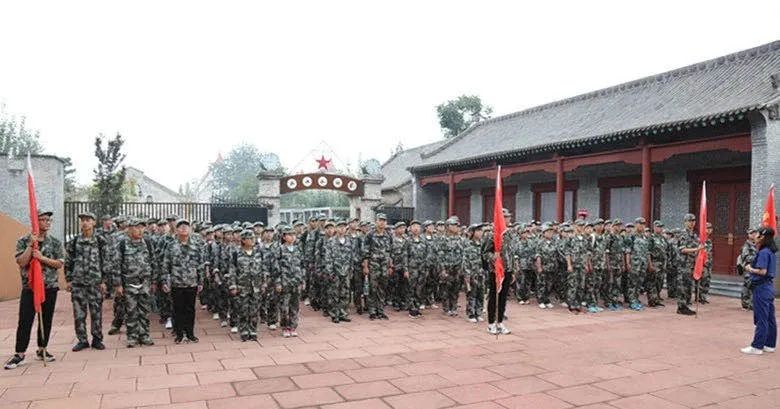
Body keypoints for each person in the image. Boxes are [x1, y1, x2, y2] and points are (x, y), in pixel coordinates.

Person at [4, 210, 64, 370]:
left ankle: (42, 348)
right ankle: (20, 353)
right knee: (25, 320)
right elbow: (21, 262)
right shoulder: (23, 241)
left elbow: (59, 263)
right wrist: (31, 246)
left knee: (46, 319)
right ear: (35, 222)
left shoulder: (55, 242)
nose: (46, 222)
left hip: (49, 286)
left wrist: (42, 258)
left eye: (48, 220)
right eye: (42, 219)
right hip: (30, 287)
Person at [65, 212, 109, 351]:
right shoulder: (74, 241)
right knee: (79, 314)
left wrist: (104, 281)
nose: (85, 222)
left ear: (94, 222)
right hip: (78, 284)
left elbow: (106, 262)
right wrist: (69, 279)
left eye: (88, 220)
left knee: (96, 313)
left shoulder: (100, 241)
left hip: (95, 283)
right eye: (82, 220)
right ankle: (82, 340)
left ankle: (97, 339)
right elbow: (68, 262)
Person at [114, 218, 156, 348]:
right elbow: (116, 265)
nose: (140, 230)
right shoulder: (122, 244)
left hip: (145, 282)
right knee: (131, 311)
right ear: (130, 228)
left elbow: (153, 262)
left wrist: (154, 281)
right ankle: (132, 337)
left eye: (142, 227)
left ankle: (144, 335)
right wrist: (118, 284)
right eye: (137, 227)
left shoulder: (147, 243)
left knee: (144, 310)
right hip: (129, 283)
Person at [162, 219, 204, 344]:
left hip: (192, 282)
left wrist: (201, 281)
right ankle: (179, 334)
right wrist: (165, 281)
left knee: (190, 309)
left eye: (186, 226)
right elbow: (166, 264)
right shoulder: (171, 246)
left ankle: (190, 333)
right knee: (178, 309)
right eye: (181, 226)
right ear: (176, 230)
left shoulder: (196, 245)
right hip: (177, 282)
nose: (184, 228)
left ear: (190, 229)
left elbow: (200, 265)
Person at [741, 227, 777, 355]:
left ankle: (757, 346)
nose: (755, 237)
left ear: (762, 237)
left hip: (761, 288)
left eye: (757, 235)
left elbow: (762, 271)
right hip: (768, 287)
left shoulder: (763, 252)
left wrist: (749, 268)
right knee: (769, 318)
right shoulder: (771, 251)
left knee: (761, 318)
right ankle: (769, 344)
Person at [228, 230, 265, 341]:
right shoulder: (236, 253)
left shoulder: (259, 252)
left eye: (254, 238)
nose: (253, 240)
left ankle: (253, 330)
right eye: (250, 238)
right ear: (243, 240)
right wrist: (233, 285)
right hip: (242, 286)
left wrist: (264, 283)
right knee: (243, 309)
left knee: (254, 310)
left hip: (256, 286)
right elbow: (232, 271)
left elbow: (263, 269)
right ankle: (244, 330)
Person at [274, 226, 305, 337]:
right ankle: (285, 327)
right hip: (285, 282)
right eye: (289, 235)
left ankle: (293, 326)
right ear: (284, 237)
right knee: (284, 306)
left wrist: (303, 280)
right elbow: (276, 268)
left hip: (296, 282)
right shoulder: (280, 249)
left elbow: (302, 266)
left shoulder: (298, 249)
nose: (292, 237)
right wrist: (278, 282)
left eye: (293, 235)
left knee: (295, 306)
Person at [362, 213, 393, 320]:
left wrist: (390, 266)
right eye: (380, 220)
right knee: (373, 289)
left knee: (382, 288)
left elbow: (390, 252)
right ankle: (372, 311)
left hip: (384, 266)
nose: (382, 222)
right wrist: (365, 267)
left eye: (384, 220)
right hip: (373, 266)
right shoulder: (370, 235)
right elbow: (365, 253)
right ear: (376, 222)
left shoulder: (388, 235)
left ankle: (381, 310)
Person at [324, 220, 355, 323]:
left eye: (344, 227)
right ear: (336, 228)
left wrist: (351, 270)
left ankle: (343, 313)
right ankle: (335, 314)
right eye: (340, 227)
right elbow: (328, 258)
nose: (342, 229)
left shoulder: (349, 241)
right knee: (334, 293)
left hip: (346, 271)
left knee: (345, 293)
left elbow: (352, 257)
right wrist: (330, 272)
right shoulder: (331, 241)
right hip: (335, 271)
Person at [737, 227, 759, 310]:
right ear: (748, 235)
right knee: (747, 285)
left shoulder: (756, 245)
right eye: (751, 233)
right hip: (748, 268)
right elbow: (746, 257)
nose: (753, 234)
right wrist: (757, 258)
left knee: (752, 286)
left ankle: (751, 303)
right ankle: (745, 303)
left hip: (755, 268)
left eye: (755, 233)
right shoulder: (746, 246)